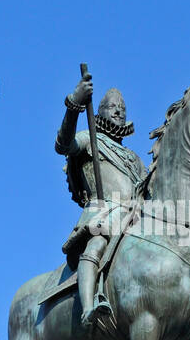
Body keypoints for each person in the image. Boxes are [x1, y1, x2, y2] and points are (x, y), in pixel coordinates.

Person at [54, 71, 146, 327]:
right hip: (102, 213)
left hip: (133, 218)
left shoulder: (134, 159)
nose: (119, 112)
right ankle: (88, 307)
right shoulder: (90, 139)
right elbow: (63, 144)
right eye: (113, 107)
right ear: (101, 110)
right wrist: (74, 104)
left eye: (122, 108)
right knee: (96, 245)